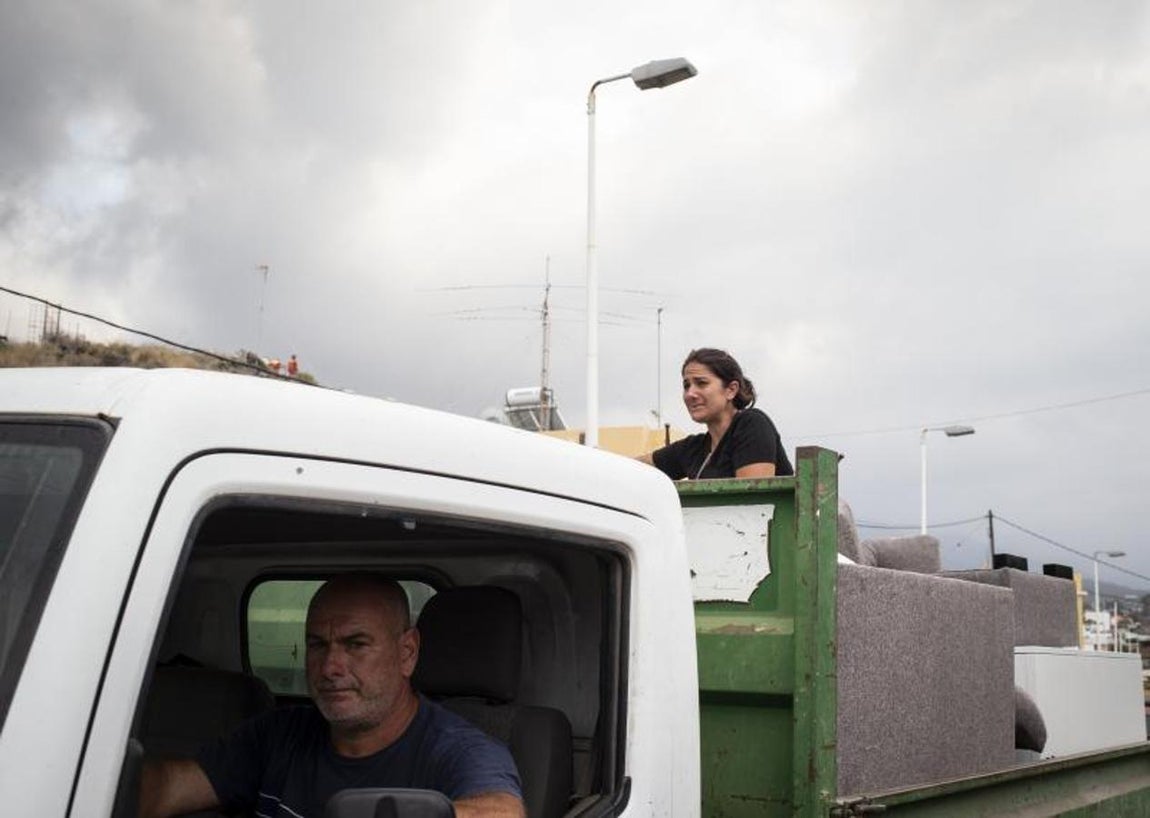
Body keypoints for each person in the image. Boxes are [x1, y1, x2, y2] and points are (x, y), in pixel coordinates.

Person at [139, 574, 525, 818]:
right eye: (317, 645)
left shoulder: (458, 750)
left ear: (407, 653)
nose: (330, 667)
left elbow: (500, 812)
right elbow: (173, 787)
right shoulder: (280, 734)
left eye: (356, 644)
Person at [639, 347, 792, 480]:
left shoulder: (752, 424)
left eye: (701, 383)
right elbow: (631, 468)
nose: (690, 393)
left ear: (731, 390)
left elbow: (753, 503)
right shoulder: (693, 449)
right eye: (686, 386)